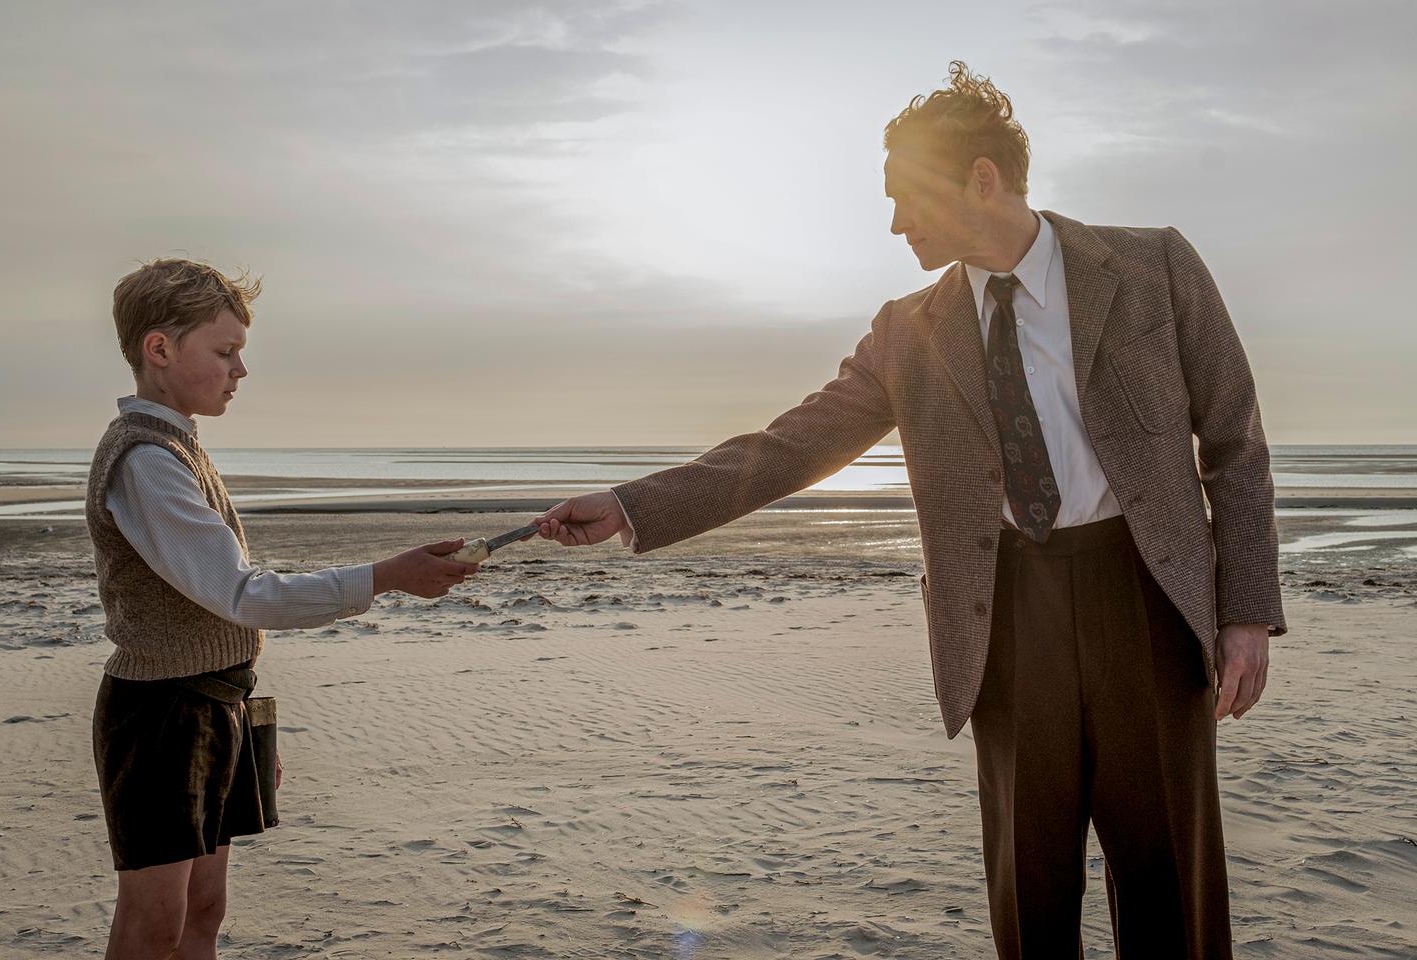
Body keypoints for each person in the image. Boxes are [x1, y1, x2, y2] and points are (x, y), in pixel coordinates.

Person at [533, 62, 1285, 957]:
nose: (895, 224)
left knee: (1174, 901)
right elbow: (789, 448)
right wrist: (629, 506)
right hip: (1003, 619)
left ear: (981, 176)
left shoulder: (1154, 264)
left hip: (1149, 601)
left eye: (907, 198)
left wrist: (1244, 613)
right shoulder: (908, 331)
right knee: (1030, 898)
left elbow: (1235, 441)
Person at [86, 258, 480, 960]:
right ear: (160, 349)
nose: (240, 370)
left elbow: (225, 614)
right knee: (153, 925)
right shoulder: (144, 459)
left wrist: (240, 719)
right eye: (226, 351)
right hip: (161, 716)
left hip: (215, 704)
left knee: (203, 911)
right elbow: (243, 594)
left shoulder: (177, 446)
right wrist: (385, 575)